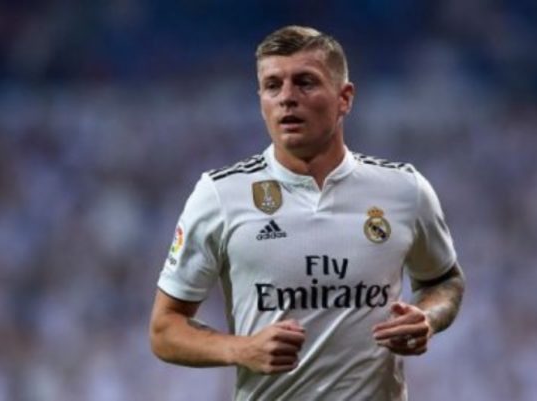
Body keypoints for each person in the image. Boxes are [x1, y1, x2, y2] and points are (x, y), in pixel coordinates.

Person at [149, 25, 465, 400]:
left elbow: (444, 281)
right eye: (272, 86)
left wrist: (427, 318)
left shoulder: (404, 190)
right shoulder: (220, 195)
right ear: (261, 101)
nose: (287, 98)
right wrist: (240, 349)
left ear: (344, 98)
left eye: (305, 82)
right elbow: (164, 328)